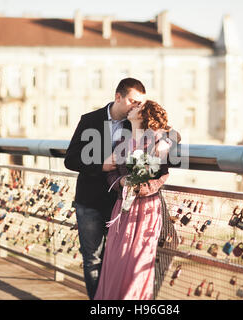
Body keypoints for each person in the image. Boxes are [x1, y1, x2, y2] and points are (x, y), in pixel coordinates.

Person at [64, 78, 147, 299]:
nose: (136, 106)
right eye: (132, 100)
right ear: (118, 96)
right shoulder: (90, 120)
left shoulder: (137, 124)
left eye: (140, 103)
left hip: (120, 204)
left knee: (121, 257)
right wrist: (100, 165)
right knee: (93, 259)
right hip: (89, 202)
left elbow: (164, 139)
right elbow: (70, 160)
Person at [93, 100, 174, 300]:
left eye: (137, 106)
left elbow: (162, 175)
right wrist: (121, 182)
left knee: (138, 262)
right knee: (116, 260)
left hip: (146, 209)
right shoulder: (123, 142)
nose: (132, 107)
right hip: (123, 209)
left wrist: (143, 188)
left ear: (144, 113)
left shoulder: (158, 140)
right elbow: (111, 174)